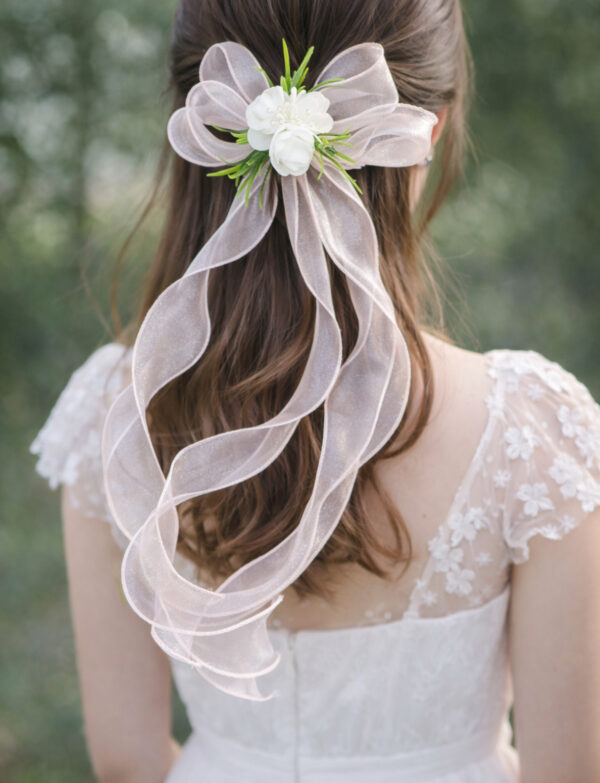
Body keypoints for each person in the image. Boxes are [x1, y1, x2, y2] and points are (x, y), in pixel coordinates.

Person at [29, 0, 600, 781]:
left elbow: (127, 759)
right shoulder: (534, 430)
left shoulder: (112, 412)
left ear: (198, 130)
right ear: (428, 135)